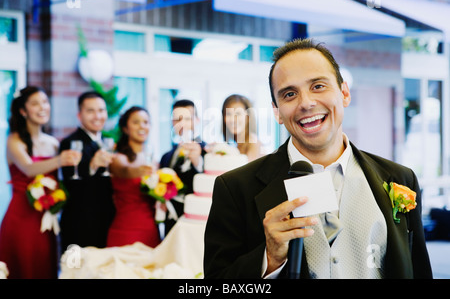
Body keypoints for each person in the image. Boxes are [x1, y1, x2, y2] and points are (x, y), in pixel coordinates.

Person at [204, 38, 432, 279]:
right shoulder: (235, 189)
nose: (306, 103)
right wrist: (269, 260)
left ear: (344, 93)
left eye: (318, 86)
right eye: (290, 94)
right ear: (277, 112)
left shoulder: (399, 178)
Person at [0, 86, 80, 279]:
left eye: (45, 102)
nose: (43, 107)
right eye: (35, 103)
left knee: (44, 268)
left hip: (46, 218)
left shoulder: (52, 142)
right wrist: (60, 159)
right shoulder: (14, 140)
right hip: (21, 218)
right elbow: (28, 169)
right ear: (23, 111)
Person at [59, 91, 115, 252]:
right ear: (79, 115)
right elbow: (70, 181)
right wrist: (91, 165)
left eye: (101, 110)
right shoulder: (69, 143)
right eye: (90, 111)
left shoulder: (106, 142)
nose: (97, 116)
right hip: (78, 224)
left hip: (105, 221)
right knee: (75, 272)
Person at [107, 106, 160, 248]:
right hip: (125, 230)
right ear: (125, 128)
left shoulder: (154, 161)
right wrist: (142, 171)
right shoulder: (118, 158)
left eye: (146, 122)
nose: (142, 126)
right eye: (136, 122)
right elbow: (125, 171)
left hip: (150, 230)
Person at [159, 99, 207, 235]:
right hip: (170, 223)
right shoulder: (166, 156)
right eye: (177, 119)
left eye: (187, 118)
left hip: (195, 223)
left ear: (196, 120)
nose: (182, 124)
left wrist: (197, 162)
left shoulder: (206, 150)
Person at [222, 94, 264, 162]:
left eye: (238, 114)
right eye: (228, 114)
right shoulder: (237, 144)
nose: (232, 120)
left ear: (247, 117)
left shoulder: (253, 143)